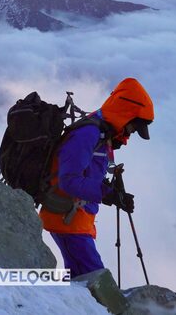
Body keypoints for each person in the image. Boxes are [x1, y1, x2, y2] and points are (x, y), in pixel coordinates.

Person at [39, 77, 154, 278]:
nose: (132, 132)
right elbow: (69, 180)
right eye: (134, 127)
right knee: (95, 286)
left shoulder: (103, 133)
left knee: (80, 284)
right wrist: (108, 195)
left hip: (76, 220)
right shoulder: (88, 134)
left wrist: (112, 192)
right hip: (67, 222)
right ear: (126, 115)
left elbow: (87, 173)